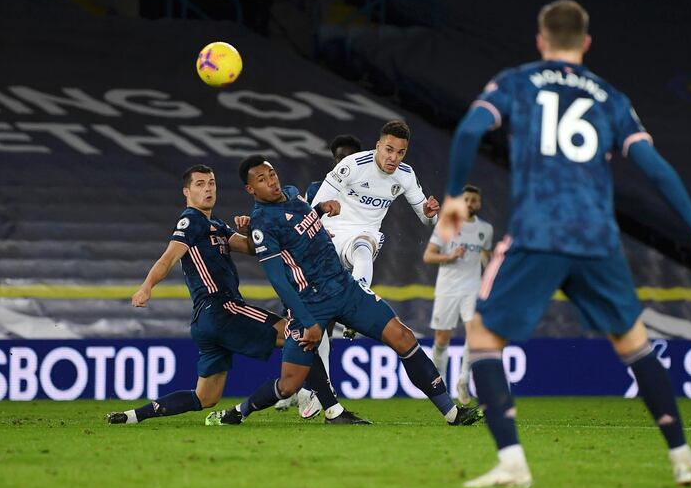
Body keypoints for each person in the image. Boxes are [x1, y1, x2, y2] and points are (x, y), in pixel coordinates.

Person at [437, 0, 691, 488]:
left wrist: (454, 195)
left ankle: (512, 462)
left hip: (538, 232)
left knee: (484, 339)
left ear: (541, 40)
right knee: (635, 344)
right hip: (597, 238)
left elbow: (471, 128)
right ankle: (684, 459)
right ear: (587, 42)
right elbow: (654, 166)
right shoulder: (610, 97)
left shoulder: (518, 80)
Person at [205, 156, 482, 427]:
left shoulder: (292, 195)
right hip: (311, 303)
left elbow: (300, 224)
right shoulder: (263, 223)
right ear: (251, 190)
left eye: (272, 174)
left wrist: (321, 209)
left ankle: (452, 413)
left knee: (404, 337)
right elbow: (278, 279)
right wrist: (308, 322)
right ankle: (238, 413)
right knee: (289, 385)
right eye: (262, 180)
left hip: (345, 288)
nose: (272, 182)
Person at [106, 164, 353, 424]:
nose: (208, 188)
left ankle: (133, 416)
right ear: (186, 191)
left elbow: (252, 248)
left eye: (211, 182)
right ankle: (323, 402)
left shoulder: (214, 225)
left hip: (205, 321)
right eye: (200, 184)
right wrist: (146, 287)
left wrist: (249, 229)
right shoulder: (190, 221)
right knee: (298, 332)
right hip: (222, 308)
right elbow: (168, 258)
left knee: (205, 397)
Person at [277, 134, 365, 416]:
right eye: (339, 158)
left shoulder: (368, 190)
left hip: (345, 266)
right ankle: (303, 390)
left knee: (317, 329)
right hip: (315, 268)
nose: (343, 162)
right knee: (306, 328)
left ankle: (308, 391)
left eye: (349, 157)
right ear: (334, 160)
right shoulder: (319, 189)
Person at [309, 120, 440, 291]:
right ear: (378, 146)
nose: (394, 158)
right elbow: (313, 209)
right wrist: (316, 233)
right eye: (389, 150)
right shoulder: (353, 165)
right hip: (330, 235)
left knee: (363, 250)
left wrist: (430, 215)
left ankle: (357, 302)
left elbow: (427, 219)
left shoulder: (405, 175)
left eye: (401, 153)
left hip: (364, 234)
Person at [423, 184, 492, 404]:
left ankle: (463, 379)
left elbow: (486, 257)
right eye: (467, 199)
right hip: (448, 289)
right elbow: (428, 256)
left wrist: (489, 280)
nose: (471, 203)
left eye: (474, 200)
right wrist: (450, 256)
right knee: (442, 338)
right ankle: (439, 385)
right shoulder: (446, 224)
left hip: (472, 288)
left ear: (479, 203)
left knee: (474, 333)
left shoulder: (485, 229)